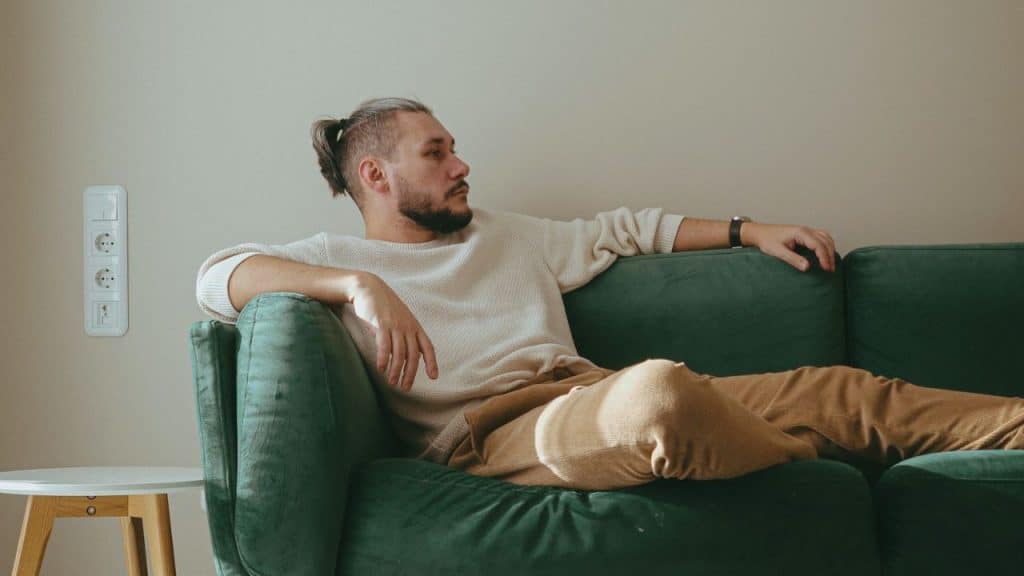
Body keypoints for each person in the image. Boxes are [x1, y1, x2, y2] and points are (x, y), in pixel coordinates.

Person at [196, 97, 1024, 491]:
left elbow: (631, 228)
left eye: (455, 150)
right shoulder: (333, 260)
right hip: (493, 438)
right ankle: (807, 451)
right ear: (375, 175)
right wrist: (359, 285)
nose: (462, 166)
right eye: (437, 152)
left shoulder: (505, 233)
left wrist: (748, 230)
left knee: (840, 389)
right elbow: (214, 278)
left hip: (589, 394)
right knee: (662, 398)